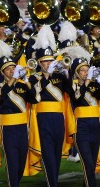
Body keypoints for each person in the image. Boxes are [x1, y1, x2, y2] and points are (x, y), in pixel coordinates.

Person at [28, 25, 70, 187]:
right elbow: (34, 97)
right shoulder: (34, 78)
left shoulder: (60, 76)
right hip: (43, 118)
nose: (48, 64)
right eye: (45, 62)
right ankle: (52, 182)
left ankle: (53, 180)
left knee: (57, 152)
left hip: (59, 118)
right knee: (48, 153)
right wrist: (46, 76)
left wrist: (67, 72)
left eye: (50, 61)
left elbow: (71, 93)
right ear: (39, 63)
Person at [0, 56, 33, 187]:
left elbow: (35, 98)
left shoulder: (22, 85)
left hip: (22, 127)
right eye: (8, 69)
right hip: (8, 128)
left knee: (21, 162)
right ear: (2, 72)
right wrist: (15, 78)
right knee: (12, 162)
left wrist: (26, 80)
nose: (11, 71)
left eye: (13, 68)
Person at [68, 57, 100, 187]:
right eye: (82, 70)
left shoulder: (93, 84)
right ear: (76, 73)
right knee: (88, 164)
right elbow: (77, 97)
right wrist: (89, 80)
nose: (85, 72)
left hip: (95, 126)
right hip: (81, 127)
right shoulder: (72, 85)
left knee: (92, 165)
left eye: (87, 70)